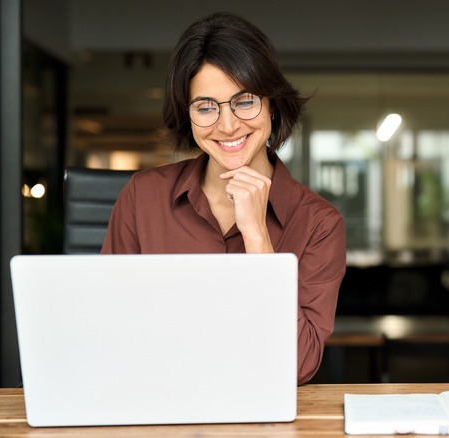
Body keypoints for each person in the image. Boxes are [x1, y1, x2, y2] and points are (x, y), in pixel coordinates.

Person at [102, 12, 346, 385]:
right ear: (188, 116)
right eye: (205, 107)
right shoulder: (142, 198)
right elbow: (107, 333)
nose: (228, 125)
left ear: (272, 104)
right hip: (159, 406)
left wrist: (258, 238)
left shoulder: (319, 223)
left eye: (244, 101)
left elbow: (298, 366)